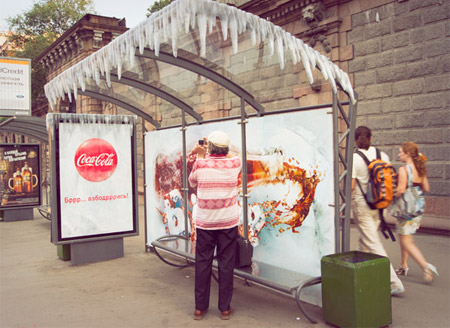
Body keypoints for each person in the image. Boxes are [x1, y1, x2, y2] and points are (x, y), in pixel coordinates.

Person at [188, 130, 241, 320]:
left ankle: (200, 308)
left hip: (206, 222)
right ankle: (225, 308)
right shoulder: (235, 163)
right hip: (228, 221)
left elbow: (192, 181)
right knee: (226, 263)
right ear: (226, 148)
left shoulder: (201, 164)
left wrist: (200, 155)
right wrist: (212, 150)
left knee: (203, 262)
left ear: (210, 147)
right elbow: (231, 155)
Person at [351, 126, 405, 295]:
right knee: (365, 241)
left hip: (363, 206)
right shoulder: (383, 156)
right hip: (381, 206)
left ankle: (394, 283)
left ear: (355, 140)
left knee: (373, 243)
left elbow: (351, 186)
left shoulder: (354, 158)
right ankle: (362, 275)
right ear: (371, 138)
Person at [394, 141, 438, 282]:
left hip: (406, 210)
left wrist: (391, 197)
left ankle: (426, 267)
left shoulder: (404, 170)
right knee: (404, 237)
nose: (399, 154)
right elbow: (426, 188)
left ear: (407, 154)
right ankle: (403, 265)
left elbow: (400, 190)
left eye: (401, 151)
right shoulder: (420, 169)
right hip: (417, 209)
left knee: (407, 241)